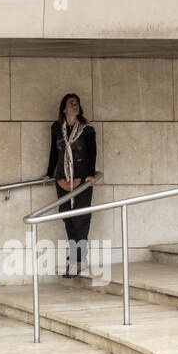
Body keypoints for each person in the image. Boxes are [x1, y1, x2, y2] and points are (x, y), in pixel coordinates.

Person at [40, 93, 101, 277]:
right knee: (68, 219)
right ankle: (77, 259)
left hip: (81, 179)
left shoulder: (87, 129)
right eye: (71, 104)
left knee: (81, 219)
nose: (75, 106)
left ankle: (77, 260)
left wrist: (91, 175)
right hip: (62, 178)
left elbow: (92, 153)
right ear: (64, 108)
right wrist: (49, 173)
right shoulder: (57, 128)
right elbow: (54, 151)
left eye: (77, 104)